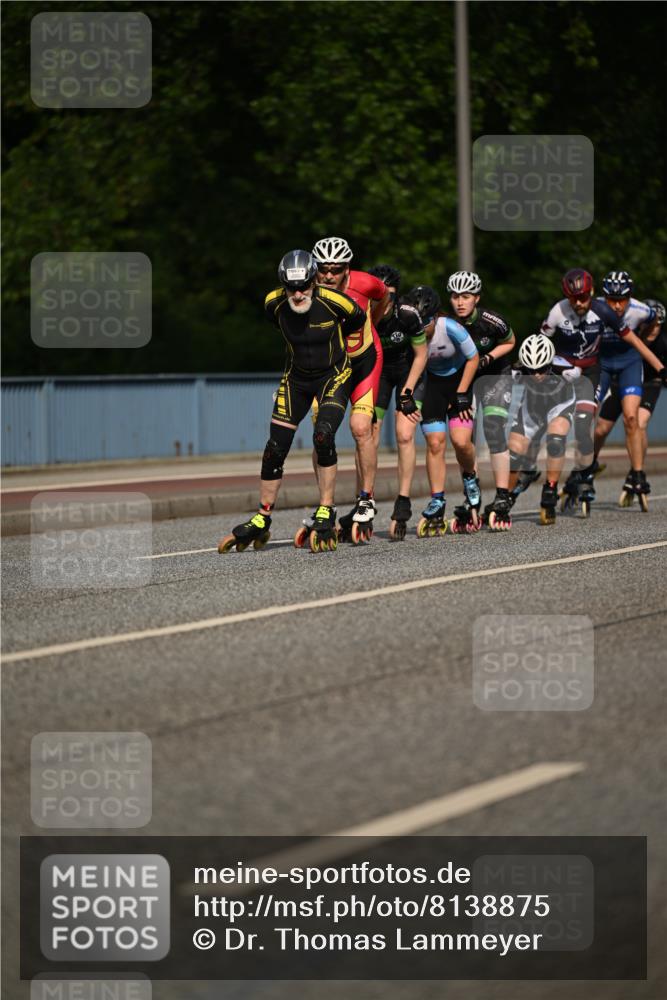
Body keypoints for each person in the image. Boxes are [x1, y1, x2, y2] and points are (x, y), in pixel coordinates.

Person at [218, 249, 365, 554]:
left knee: (323, 435)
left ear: (314, 280)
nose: (298, 294)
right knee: (275, 448)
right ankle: (262, 517)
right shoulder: (273, 303)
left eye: (304, 286)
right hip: (295, 379)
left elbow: (357, 323)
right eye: (291, 288)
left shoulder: (337, 302)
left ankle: (326, 508)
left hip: (333, 375)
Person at [311, 236, 389, 542]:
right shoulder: (309, 291)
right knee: (322, 433)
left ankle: (366, 498)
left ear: (347, 268)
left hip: (365, 362)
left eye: (336, 268)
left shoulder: (366, 283)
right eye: (323, 269)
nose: (329, 275)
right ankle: (325, 506)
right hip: (329, 369)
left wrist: (373, 321)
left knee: (360, 428)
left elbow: (384, 299)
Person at [407, 284, 480, 536]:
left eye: (425, 323)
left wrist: (461, 393)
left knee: (460, 442)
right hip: (433, 386)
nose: (421, 329)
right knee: (435, 443)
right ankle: (437, 499)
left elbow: (474, 358)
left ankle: (470, 477)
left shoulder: (451, 327)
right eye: (418, 322)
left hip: (459, 381)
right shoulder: (410, 329)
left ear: (435, 317)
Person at [447, 270, 516, 531]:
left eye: (466, 296)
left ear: (477, 297)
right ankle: (471, 494)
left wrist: (489, 357)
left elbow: (511, 341)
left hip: (495, 375)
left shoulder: (491, 320)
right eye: (455, 297)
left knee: (494, 430)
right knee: (464, 439)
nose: (460, 302)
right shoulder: (449, 324)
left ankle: (501, 496)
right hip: (466, 380)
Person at [594, 272, 666, 507]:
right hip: (616, 376)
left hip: (648, 381)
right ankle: (588, 464)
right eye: (611, 299)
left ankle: (638, 471)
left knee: (636, 421)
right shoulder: (605, 314)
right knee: (600, 428)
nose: (616, 305)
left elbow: (654, 321)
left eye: (621, 300)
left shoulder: (657, 335)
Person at [367, 264, 428, 539]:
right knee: (368, 433)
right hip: (379, 373)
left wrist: (407, 393)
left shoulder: (407, 314)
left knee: (404, 434)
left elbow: (421, 355)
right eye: (376, 296)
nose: (382, 302)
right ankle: (364, 498)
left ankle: (402, 501)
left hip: (408, 372)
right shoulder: (363, 314)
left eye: (388, 296)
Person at [508, 335, 577, 525]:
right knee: (514, 453)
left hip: (560, 405)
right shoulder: (516, 371)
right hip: (532, 408)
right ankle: (504, 497)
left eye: (542, 369)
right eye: (532, 370)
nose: (537, 374)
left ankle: (550, 489)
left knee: (555, 440)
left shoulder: (568, 370)